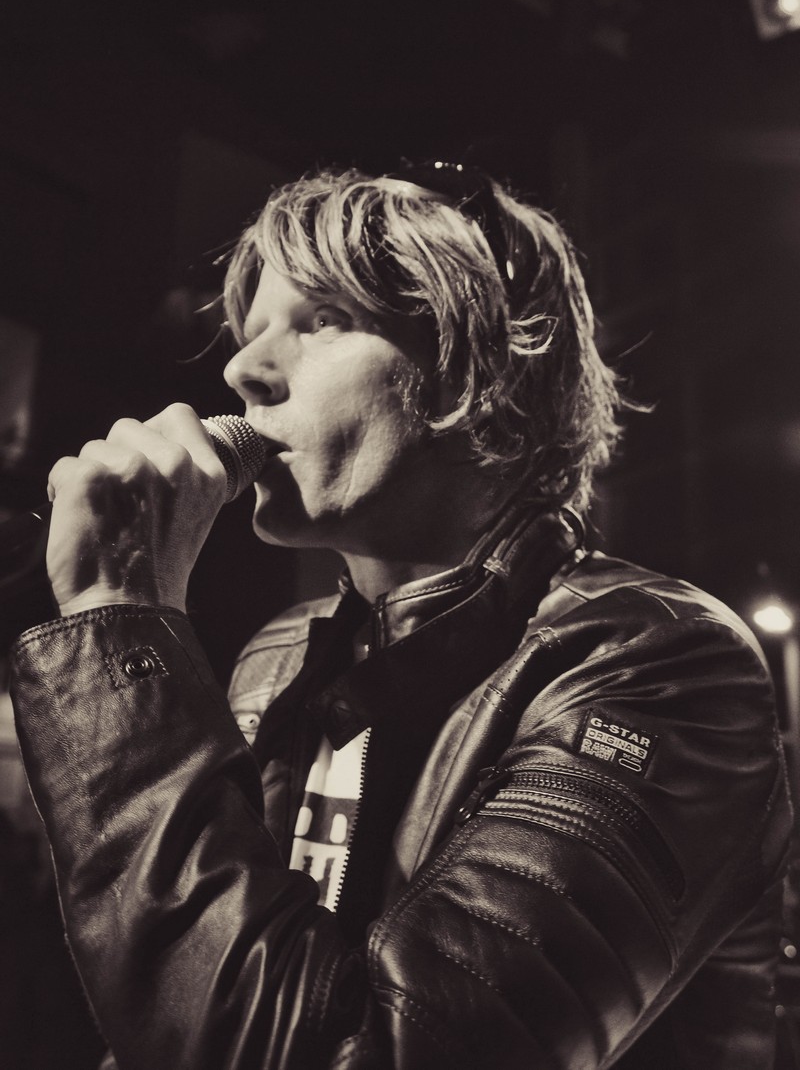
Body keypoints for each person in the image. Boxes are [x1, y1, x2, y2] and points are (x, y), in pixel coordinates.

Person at [10, 163, 792, 1069]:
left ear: (472, 373)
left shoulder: (656, 662)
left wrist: (120, 620)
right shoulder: (280, 656)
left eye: (322, 319)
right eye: (250, 332)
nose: (242, 370)